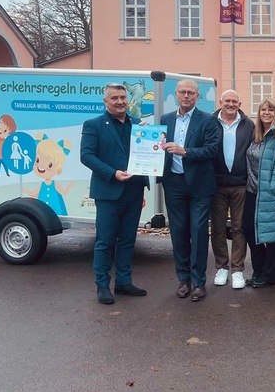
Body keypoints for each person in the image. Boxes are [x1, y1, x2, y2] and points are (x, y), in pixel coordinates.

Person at [80, 83, 150, 305]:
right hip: (109, 192)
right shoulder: (93, 125)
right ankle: (102, 285)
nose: (120, 102)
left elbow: (147, 154)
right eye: (114, 98)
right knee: (105, 241)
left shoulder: (139, 125)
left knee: (128, 240)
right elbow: (87, 156)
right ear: (105, 102)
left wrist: (151, 137)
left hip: (134, 192)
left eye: (123, 97)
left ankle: (123, 282)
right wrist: (112, 173)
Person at [161, 78, 220, 302]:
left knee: (197, 231)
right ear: (176, 94)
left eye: (191, 93)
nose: (186, 96)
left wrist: (185, 151)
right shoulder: (165, 119)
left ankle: (198, 282)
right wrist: (145, 135)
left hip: (200, 185)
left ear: (198, 96)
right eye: (183, 92)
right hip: (173, 183)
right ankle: (183, 279)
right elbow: (156, 146)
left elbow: (212, 149)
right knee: (178, 233)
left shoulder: (207, 120)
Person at [242, 99, 275, 288]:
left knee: (271, 235)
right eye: (263, 110)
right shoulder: (257, 135)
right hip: (252, 191)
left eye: (271, 110)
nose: (266, 113)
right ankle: (259, 270)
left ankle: (270, 275)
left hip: (271, 193)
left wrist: (271, 188)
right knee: (249, 229)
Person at [211, 89, 254, 290]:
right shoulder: (210, 122)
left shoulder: (248, 125)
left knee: (239, 227)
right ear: (221, 102)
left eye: (234, 101)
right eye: (227, 100)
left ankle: (237, 270)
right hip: (216, 184)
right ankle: (222, 267)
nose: (230, 104)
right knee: (218, 227)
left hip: (240, 184)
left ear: (239, 103)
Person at [24, 135, 75, 216]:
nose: (42, 166)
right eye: (37, 160)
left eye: (50, 165)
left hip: (55, 211)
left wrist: (69, 186)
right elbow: (34, 193)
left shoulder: (55, 184)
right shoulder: (42, 184)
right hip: (41, 211)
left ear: (58, 171)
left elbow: (63, 192)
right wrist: (24, 190)